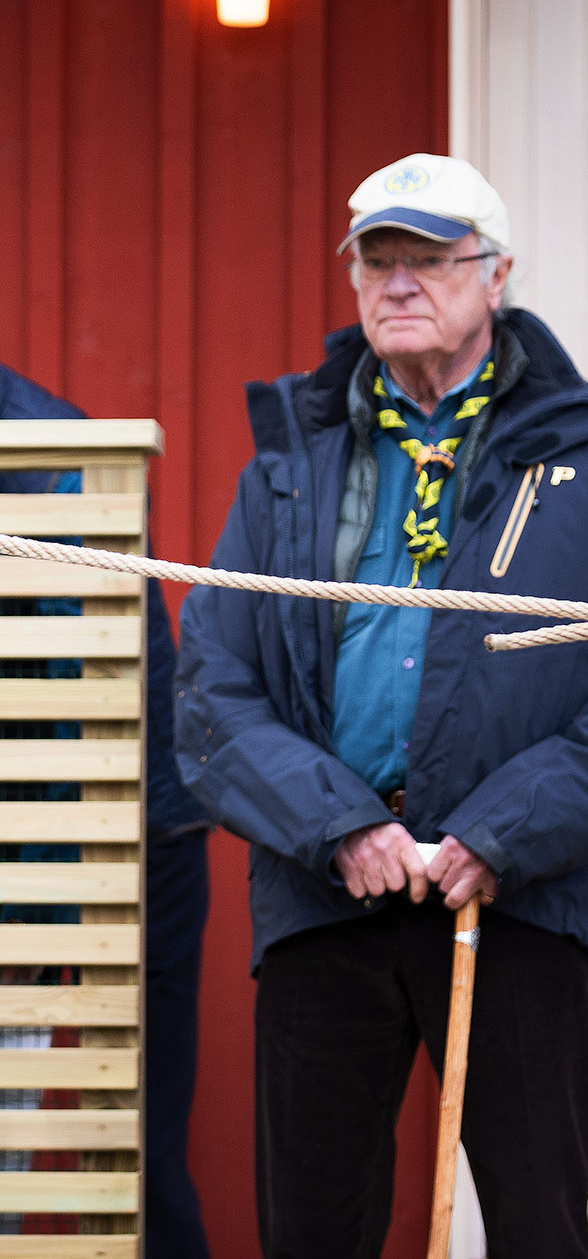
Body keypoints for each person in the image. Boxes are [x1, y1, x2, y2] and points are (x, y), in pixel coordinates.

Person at [173, 151, 588, 1259]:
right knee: (313, 1230)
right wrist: (341, 825)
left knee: (539, 1224)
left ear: (496, 275)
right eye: (378, 258)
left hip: (514, 900)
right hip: (327, 893)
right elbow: (212, 683)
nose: (399, 282)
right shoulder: (290, 461)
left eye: (430, 258)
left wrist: (502, 832)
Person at [0, 363, 211, 1258]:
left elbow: (72, 705)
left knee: (132, 1152)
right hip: (54, 819)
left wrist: (31, 927)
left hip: (123, 826)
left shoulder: (52, 453)